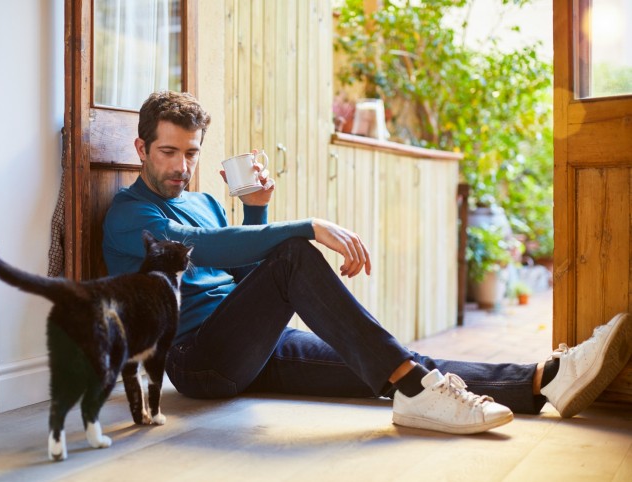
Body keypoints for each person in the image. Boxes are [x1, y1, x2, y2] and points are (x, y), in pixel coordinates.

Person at [103, 91, 632, 435]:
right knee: (292, 255)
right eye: (169, 152)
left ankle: (546, 378)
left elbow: (244, 277)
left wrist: (257, 206)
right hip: (199, 361)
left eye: (191, 153)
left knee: (385, 360)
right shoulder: (129, 216)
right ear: (141, 148)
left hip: (256, 344)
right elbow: (208, 248)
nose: (182, 165)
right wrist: (307, 226)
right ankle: (413, 388)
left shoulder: (203, 200)